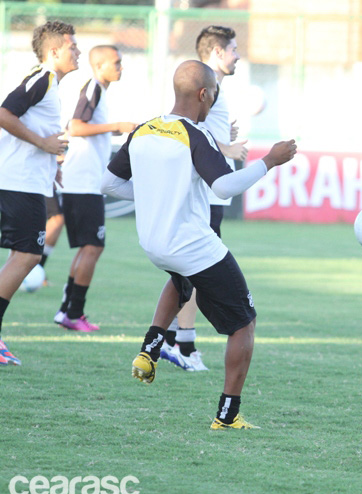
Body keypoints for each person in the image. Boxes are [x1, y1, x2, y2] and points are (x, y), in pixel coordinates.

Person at [102, 60, 296, 429]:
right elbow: (223, 187)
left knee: (182, 280)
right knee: (244, 324)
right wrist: (270, 160)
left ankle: (150, 349)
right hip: (191, 244)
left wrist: (153, 198)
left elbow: (108, 185)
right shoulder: (195, 134)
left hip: (155, 243)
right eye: (214, 96)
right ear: (204, 95)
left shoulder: (143, 130)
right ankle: (228, 415)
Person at [160, 25, 250, 371]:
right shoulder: (205, 88)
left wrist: (222, 138)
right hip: (207, 193)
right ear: (215, 53)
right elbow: (185, 132)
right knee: (197, 270)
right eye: (233, 49)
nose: (237, 55)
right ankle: (183, 343)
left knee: (185, 272)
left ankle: (167, 340)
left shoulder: (215, 91)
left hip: (211, 193)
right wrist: (226, 147)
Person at [0, 20, 79, 366]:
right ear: (54, 51)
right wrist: (44, 143)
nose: (79, 52)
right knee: (28, 255)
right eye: (73, 47)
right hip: (18, 184)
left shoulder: (49, 84)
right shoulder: (42, 78)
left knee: (24, 255)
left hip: (25, 181)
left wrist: (52, 164)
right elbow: (4, 113)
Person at [54, 45, 138, 332]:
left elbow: (82, 127)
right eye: (116, 62)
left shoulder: (98, 91)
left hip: (82, 183)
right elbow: (75, 126)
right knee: (94, 247)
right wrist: (116, 125)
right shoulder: (93, 88)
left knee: (88, 247)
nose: (121, 67)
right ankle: (73, 313)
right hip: (83, 182)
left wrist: (114, 129)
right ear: (99, 65)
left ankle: (68, 310)